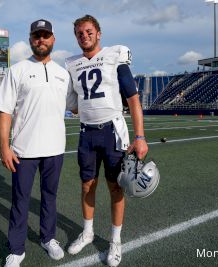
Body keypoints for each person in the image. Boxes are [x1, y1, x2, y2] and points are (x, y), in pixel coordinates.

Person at [65, 15, 149, 267]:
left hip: (113, 131)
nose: (84, 36)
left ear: (98, 33)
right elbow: (74, 106)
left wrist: (140, 136)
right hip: (86, 132)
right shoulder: (71, 63)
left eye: (89, 32)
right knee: (87, 185)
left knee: (115, 187)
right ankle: (88, 232)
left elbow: (133, 99)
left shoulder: (115, 56)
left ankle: (115, 240)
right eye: (80, 33)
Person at [0, 19, 71, 267]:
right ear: (30, 39)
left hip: (55, 149)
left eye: (45, 35)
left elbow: (77, 107)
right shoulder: (17, 70)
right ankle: (16, 249)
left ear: (53, 39)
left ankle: (48, 238)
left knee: (50, 197)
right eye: (37, 36)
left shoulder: (62, 74)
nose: (41, 40)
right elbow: (5, 111)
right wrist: (5, 146)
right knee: (20, 200)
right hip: (23, 151)